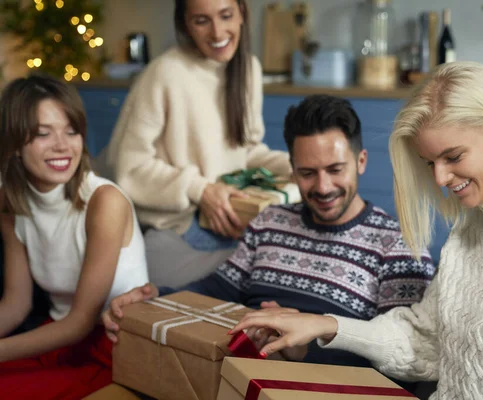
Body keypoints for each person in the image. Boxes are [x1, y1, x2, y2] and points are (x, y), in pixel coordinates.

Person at [230, 62, 483, 399]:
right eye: (430, 162)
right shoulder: (469, 231)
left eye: (453, 157)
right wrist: (325, 326)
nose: (439, 178)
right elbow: (422, 343)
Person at [102, 95, 435, 369]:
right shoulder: (269, 221)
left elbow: (400, 359)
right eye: (307, 172)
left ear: (361, 161)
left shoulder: (402, 244)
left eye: (335, 170)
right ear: (291, 170)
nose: (322, 186)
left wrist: (305, 351)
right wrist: (157, 298)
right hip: (235, 372)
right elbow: (218, 288)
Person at [104, 0, 291, 276]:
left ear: (242, 14)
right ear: (184, 24)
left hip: (229, 213)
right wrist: (200, 190)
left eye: (226, 16)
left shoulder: (248, 68)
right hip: (180, 224)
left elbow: (244, 152)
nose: (217, 33)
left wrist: (296, 165)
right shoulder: (165, 73)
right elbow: (129, 170)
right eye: (201, 21)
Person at [0, 75, 149, 399]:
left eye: (72, 131)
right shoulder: (10, 204)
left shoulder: (104, 201)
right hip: (52, 339)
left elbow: (81, 321)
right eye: (43, 134)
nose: (62, 145)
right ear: (14, 145)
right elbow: (15, 304)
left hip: (109, 349)